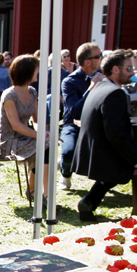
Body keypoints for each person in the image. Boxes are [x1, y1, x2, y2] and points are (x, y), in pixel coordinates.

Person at [72, 49, 137, 221]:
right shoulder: (115, 93)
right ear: (115, 70)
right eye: (129, 69)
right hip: (106, 154)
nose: (133, 73)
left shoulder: (101, 86)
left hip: (95, 152)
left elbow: (121, 122)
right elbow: (116, 136)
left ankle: (89, 201)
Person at [0, 54, 49, 203]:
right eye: (36, 68)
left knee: (48, 145)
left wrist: (44, 132)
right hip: (9, 141)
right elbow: (16, 125)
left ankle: (39, 192)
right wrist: (40, 136)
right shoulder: (9, 95)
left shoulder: (32, 91)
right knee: (45, 146)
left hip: (25, 137)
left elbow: (36, 120)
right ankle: (39, 194)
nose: (38, 71)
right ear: (27, 71)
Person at [59, 42, 104, 190]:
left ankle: (103, 184)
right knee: (68, 152)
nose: (102, 58)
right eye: (99, 56)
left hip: (98, 124)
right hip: (73, 125)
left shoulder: (105, 76)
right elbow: (75, 112)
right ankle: (65, 174)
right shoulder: (70, 81)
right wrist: (92, 88)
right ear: (88, 62)